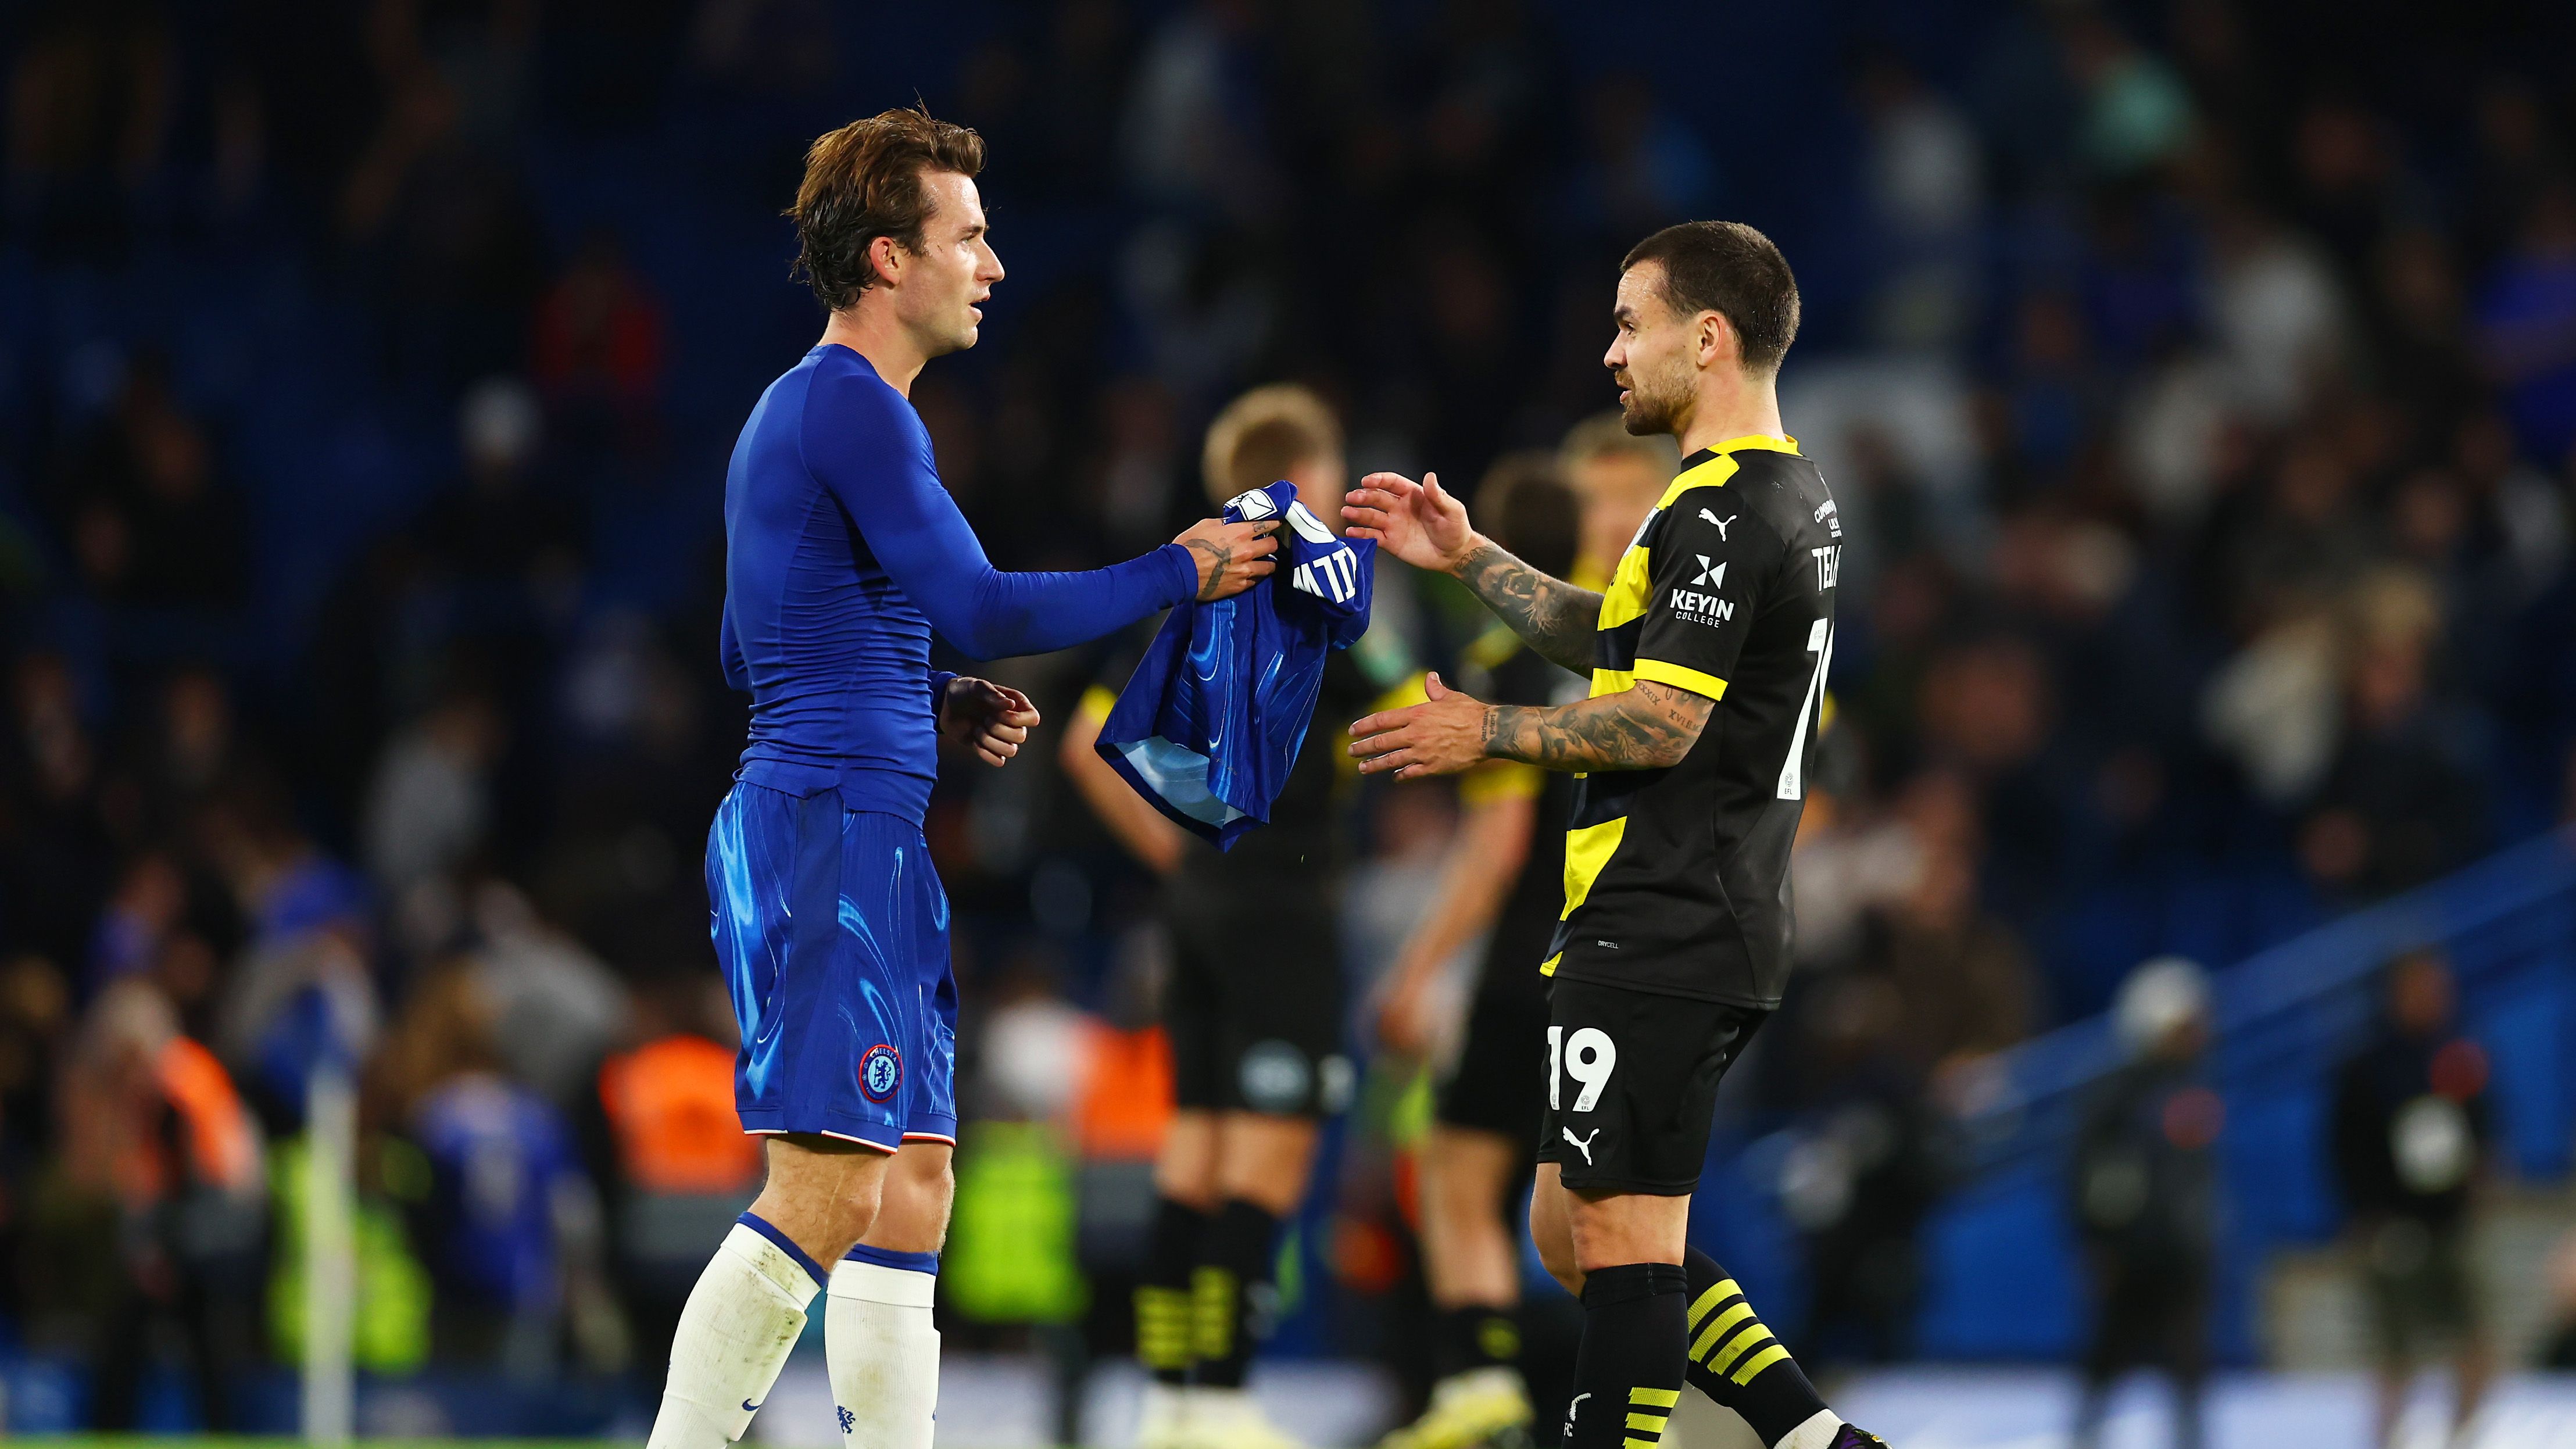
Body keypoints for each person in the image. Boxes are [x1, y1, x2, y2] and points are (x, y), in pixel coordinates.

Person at [654, 106, 1279, 1449]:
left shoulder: (813, 411)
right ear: (890, 258)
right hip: (823, 828)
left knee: (915, 1186)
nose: (992, 266)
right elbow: (985, 604)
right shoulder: (848, 404)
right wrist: (1179, 568)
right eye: (969, 239)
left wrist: (921, 692)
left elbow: (747, 643)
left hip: (859, 823)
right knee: (827, 1190)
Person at [1343, 220, 1878, 1449]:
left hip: (1663, 915)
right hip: (1698, 912)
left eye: (1632, 324)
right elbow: (1623, 641)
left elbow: (1661, 721)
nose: (1611, 351)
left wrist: (1483, 727)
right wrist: (1470, 555)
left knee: (1620, 1248)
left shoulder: (1723, 508)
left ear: (1708, 337)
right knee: (1564, 1228)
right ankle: (1815, 1438)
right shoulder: (1776, 489)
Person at [1060, 382, 1403, 1449]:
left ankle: (1169, 1399)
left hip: (1201, 903)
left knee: (1195, 1151)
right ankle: (1219, 1397)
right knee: (1267, 1158)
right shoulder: (1313, 579)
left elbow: (1083, 740)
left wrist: (1180, 843)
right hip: (1284, 904)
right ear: (1309, 474)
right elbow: (1400, 700)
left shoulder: (1199, 578)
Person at [1370, 448, 1650, 1449]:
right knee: (1591, 1214)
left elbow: (1496, 848)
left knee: (1461, 1173)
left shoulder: (1501, 666)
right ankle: (1637, 1399)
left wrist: (1413, 973)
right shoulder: (1622, 656)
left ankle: (1483, 1384)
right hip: (1617, 962)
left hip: (1525, 966)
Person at [2331, 949, 2494, 1449]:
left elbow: (2482, 1126)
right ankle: (2387, 1440)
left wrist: (2481, 1181)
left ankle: (2461, 1437)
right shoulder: (2368, 1063)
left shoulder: (2458, 1054)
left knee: (2476, 1342)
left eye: (2438, 986)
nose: (2433, 997)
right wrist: (2366, 1216)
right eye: (2421, 987)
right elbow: (2345, 1146)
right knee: (2394, 1354)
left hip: (2450, 1225)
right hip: (2392, 1228)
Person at [2069, 958, 2221, 1449]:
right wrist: (2101, 1242)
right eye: (2183, 1027)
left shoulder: (2192, 1086)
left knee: (2189, 1370)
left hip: (2181, 1254)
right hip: (2132, 1255)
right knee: (2107, 1363)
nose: (2196, 1036)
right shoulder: (2119, 1095)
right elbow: (2091, 1175)